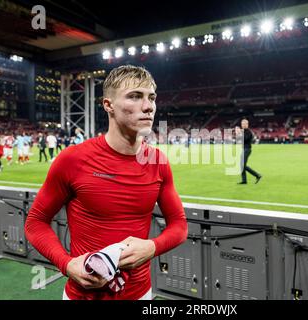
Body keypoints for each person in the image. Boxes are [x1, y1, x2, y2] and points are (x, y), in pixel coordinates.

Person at [25, 65, 188, 300]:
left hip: (140, 294)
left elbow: (179, 225)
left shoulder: (158, 161)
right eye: (135, 96)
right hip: (83, 295)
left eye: (151, 97)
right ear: (108, 105)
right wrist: (67, 264)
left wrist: (152, 247)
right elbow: (35, 223)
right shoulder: (73, 159)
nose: (148, 106)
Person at [235, 119, 262, 184]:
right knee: (242, 165)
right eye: (242, 124)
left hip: (247, 149)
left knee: (243, 165)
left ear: (247, 124)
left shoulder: (248, 132)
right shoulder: (243, 131)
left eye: (244, 124)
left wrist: (239, 133)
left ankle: (257, 175)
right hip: (244, 149)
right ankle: (244, 180)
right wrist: (237, 134)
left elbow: (245, 139)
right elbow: (238, 140)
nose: (242, 125)